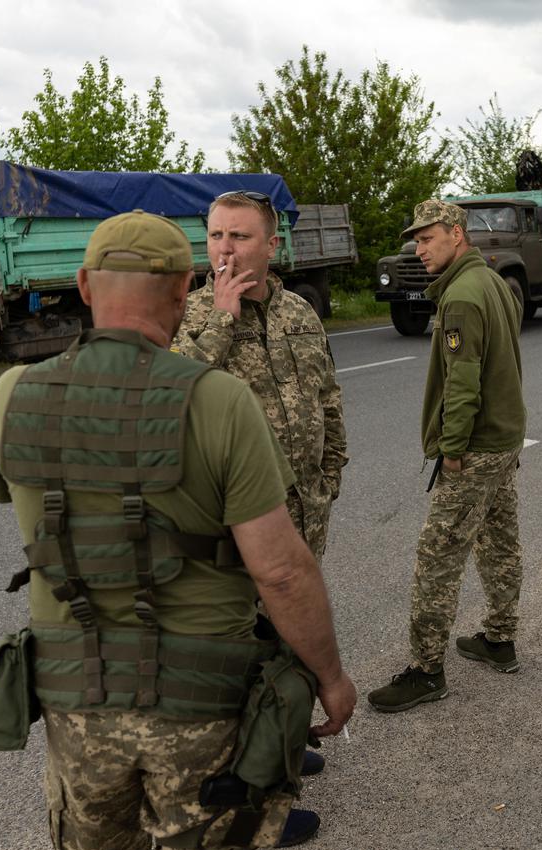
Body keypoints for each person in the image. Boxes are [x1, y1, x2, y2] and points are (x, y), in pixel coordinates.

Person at [0, 211, 356, 850]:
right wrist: (330, 677)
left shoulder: (12, 394)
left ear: (82, 284)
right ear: (186, 289)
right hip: (200, 695)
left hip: (78, 696)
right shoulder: (218, 400)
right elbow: (281, 571)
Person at [172, 189, 348, 786]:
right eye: (216, 235)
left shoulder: (300, 312)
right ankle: (249, 784)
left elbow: (328, 396)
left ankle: (286, 739)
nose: (225, 248)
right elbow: (177, 399)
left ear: (273, 245)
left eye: (240, 236)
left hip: (305, 506)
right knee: (243, 652)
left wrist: (330, 475)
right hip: (236, 522)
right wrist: (222, 317)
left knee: (294, 636)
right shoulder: (191, 316)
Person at [367, 199, 526, 713]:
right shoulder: (493, 282)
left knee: (438, 559)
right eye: (416, 239)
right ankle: (499, 639)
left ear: (457, 234)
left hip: (476, 446)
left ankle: (425, 670)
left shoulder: (460, 295)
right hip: (504, 440)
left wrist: (452, 448)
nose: (420, 248)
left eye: (428, 237)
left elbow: (463, 384)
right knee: (499, 539)